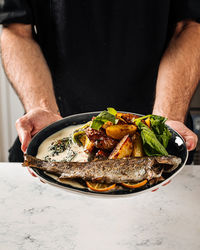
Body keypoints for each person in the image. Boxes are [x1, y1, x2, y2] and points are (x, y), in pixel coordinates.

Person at [0, 1, 199, 163]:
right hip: (53, 138)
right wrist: (45, 113)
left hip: (156, 141)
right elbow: (17, 29)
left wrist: (161, 127)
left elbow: (188, 27)